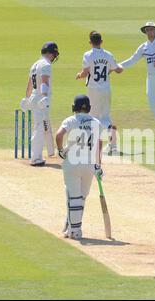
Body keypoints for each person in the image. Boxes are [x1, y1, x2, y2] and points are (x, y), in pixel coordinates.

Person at [55, 94, 103, 240]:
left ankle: (75, 230)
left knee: (73, 196)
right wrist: (98, 165)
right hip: (89, 164)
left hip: (72, 163)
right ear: (88, 108)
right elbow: (99, 145)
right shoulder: (96, 122)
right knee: (81, 198)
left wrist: (61, 151)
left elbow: (58, 135)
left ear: (74, 107)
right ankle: (72, 225)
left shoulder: (71, 120)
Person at [76, 31, 123, 155]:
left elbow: (85, 72)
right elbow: (117, 70)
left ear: (90, 42)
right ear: (101, 42)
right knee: (106, 117)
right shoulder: (108, 55)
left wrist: (79, 75)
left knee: (93, 117)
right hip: (106, 90)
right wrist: (120, 67)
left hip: (93, 90)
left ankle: (91, 145)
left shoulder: (88, 55)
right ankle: (113, 146)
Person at [20, 42, 59, 166]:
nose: (54, 57)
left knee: (39, 127)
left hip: (33, 98)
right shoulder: (46, 64)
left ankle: (38, 155)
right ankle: (36, 158)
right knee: (40, 128)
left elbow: (29, 84)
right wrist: (45, 97)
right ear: (51, 53)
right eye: (54, 54)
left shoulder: (35, 64)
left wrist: (26, 98)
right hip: (40, 99)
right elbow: (44, 82)